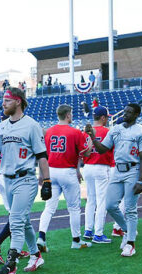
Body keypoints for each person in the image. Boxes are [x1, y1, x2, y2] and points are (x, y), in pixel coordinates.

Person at [0, 88, 50, 274]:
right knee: (24, 221)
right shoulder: (2, 126)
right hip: (7, 179)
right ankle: (36, 256)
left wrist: (47, 181)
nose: (3, 104)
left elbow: (42, 156)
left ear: (18, 102)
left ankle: (10, 267)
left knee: (15, 220)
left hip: (26, 179)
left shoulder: (31, 125)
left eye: (7, 100)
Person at [85, 103, 142, 257]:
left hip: (133, 170)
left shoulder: (141, 131)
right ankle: (127, 230)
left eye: (129, 112)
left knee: (130, 208)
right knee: (109, 205)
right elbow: (102, 149)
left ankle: (130, 244)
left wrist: (141, 181)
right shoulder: (116, 129)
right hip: (117, 171)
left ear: (136, 115)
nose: (125, 113)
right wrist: (93, 136)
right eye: (125, 111)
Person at [37, 103, 92, 252]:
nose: (72, 116)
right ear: (68, 115)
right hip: (67, 172)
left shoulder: (49, 131)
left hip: (51, 170)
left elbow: (43, 154)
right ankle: (76, 240)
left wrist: (41, 174)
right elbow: (86, 153)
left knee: (49, 208)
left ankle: (41, 237)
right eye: (71, 114)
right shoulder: (75, 132)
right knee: (74, 208)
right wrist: (91, 140)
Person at [82, 106, 114, 243]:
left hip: (87, 167)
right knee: (102, 201)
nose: (107, 119)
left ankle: (88, 230)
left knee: (91, 200)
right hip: (101, 167)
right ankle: (98, 233)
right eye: (106, 117)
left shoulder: (85, 133)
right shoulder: (107, 131)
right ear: (102, 117)